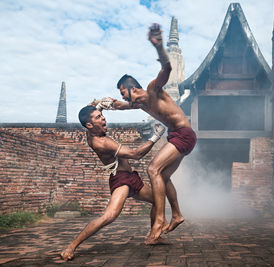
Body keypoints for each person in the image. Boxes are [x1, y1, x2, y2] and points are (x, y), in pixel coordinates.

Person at [110, 23, 197, 245]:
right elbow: (122, 106)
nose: (124, 97)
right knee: (163, 176)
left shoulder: (152, 90)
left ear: (132, 88)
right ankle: (177, 214)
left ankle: (159, 219)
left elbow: (166, 69)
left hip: (184, 134)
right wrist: (106, 105)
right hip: (177, 136)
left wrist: (158, 46)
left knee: (152, 169)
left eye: (123, 93)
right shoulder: (139, 105)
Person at [60, 105, 168, 261]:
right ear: (89, 125)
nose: (103, 118)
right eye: (98, 117)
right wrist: (155, 136)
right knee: (109, 216)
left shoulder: (89, 130)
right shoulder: (101, 142)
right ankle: (71, 246)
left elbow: (88, 115)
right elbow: (136, 154)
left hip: (131, 176)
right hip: (121, 179)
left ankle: (153, 237)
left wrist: (98, 105)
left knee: (158, 200)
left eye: (101, 115)